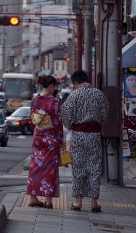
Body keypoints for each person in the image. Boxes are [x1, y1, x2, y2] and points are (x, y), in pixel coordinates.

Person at [61, 70, 109, 212]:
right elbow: (105, 113)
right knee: (94, 167)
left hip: (78, 135)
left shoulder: (73, 96)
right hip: (94, 135)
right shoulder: (99, 94)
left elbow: (66, 116)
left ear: (75, 82)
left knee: (78, 167)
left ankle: (78, 201)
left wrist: (71, 127)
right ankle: (94, 202)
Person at [26, 74, 63, 209]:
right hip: (51, 138)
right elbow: (58, 122)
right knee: (50, 169)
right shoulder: (54, 101)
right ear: (52, 86)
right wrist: (60, 139)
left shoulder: (35, 100)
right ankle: (48, 200)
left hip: (38, 137)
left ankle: (33, 197)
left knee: (35, 167)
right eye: (55, 87)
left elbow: (32, 121)